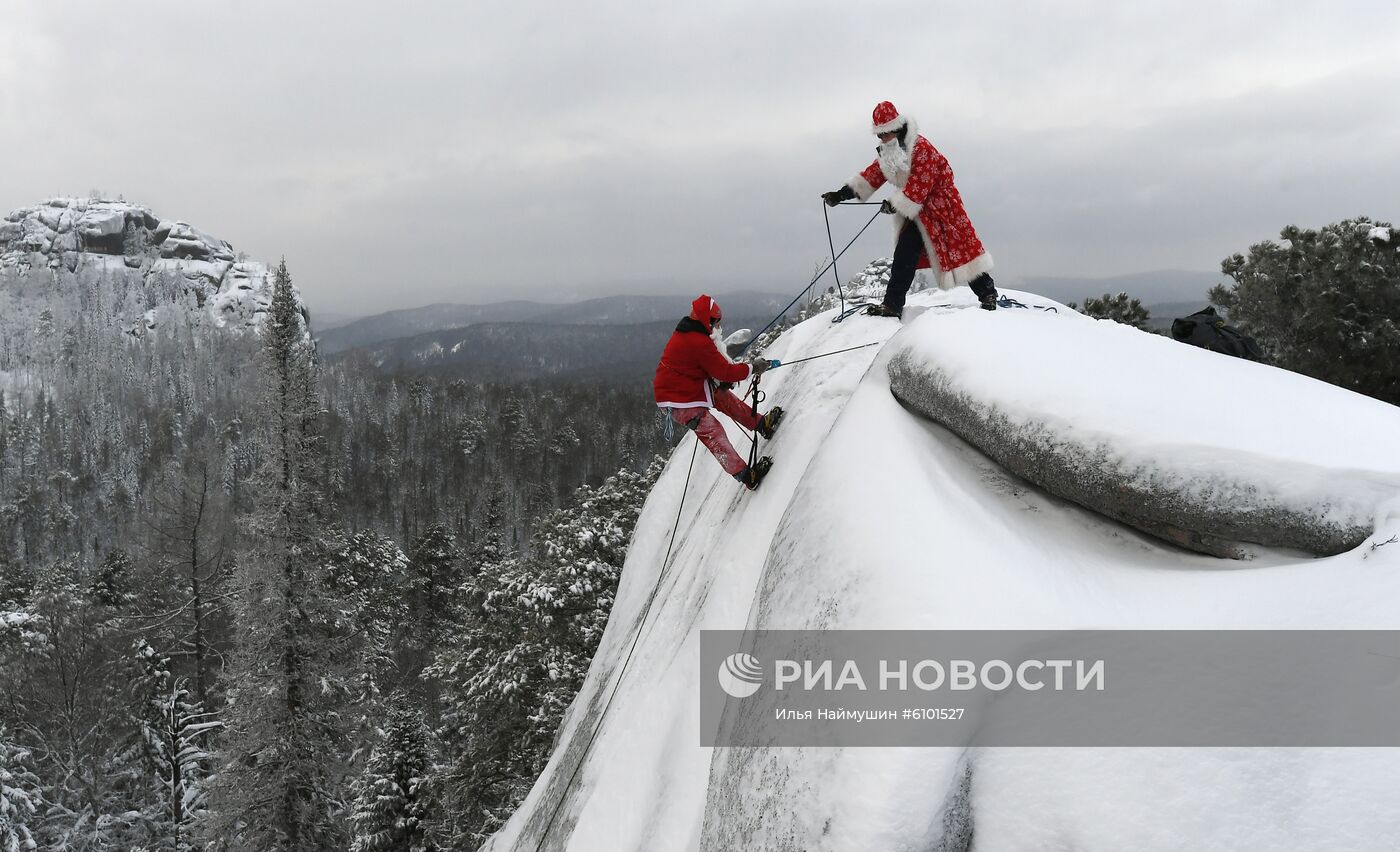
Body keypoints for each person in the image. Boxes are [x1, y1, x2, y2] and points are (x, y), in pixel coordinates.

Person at [822, 101, 998, 317]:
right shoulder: (890, 152)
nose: (882, 139)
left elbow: (920, 186)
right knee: (904, 255)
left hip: (943, 208)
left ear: (895, 129)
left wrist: (894, 204)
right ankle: (892, 305)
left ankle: (988, 293)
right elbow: (872, 176)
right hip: (917, 211)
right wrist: (841, 194)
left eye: (885, 134)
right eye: (879, 135)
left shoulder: (922, 148)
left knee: (960, 250)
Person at [654, 295, 784, 490]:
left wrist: (721, 379)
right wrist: (753, 368)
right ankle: (747, 476)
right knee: (713, 433)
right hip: (679, 400)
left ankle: (760, 424)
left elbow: (709, 368)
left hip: (686, 389)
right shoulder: (698, 341)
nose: (717, 326)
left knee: (723, 397)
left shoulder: (691, 332)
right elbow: (725, 371)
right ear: (708, 320)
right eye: (715, 322)